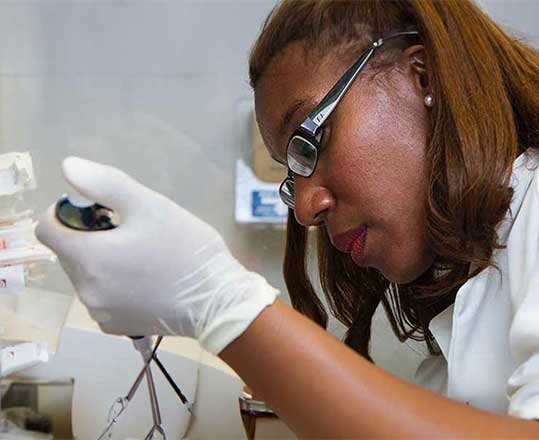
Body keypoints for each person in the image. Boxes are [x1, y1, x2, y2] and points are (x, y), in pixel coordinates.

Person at [36, 0, 539, 437]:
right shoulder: (469, 304)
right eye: (291, 174)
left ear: (421, 76)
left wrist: (223, 306)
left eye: (309, 142)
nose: (305, 208)